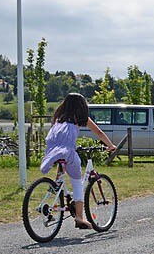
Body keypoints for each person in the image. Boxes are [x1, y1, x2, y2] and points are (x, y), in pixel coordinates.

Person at [39, 93, 115, 230]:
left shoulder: (58, 118)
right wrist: (110, 145)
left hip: (52, 150)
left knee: (61, 173)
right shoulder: (80, 118)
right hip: (67, 152)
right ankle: (79, 217)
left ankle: (57, 187)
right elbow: (99, 132)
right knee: (77, 182)